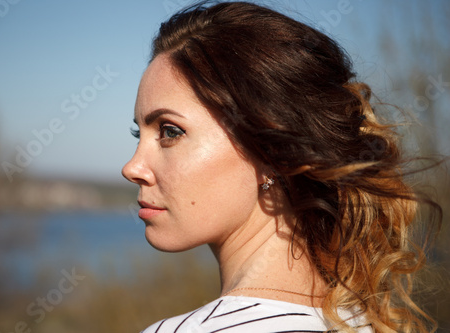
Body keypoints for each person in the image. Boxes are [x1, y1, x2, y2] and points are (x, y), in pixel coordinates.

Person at [121, 1, 441, 332]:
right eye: (138, 133)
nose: (132, 167)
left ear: (273, 149)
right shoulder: (364, 323)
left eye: (170, 131)